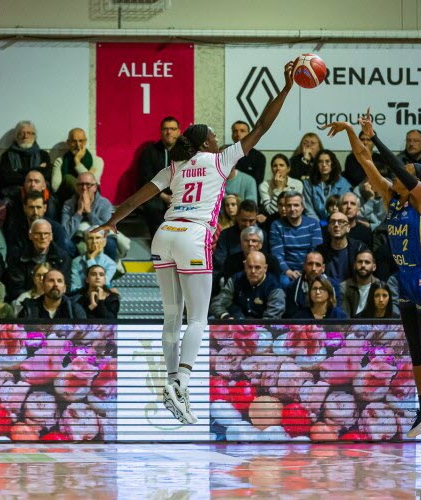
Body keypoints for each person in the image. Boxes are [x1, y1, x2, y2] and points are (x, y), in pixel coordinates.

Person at [94, 59, 296, 425]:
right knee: (198, 318)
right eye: (215, 136)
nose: (220, 139)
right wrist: (285, 88)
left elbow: (136, 199)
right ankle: (184, 381)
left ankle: (171, 384)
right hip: (193, 234)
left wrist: (110, 221)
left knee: (172, 315)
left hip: (164, 235)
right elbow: (263, 124)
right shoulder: (220, 160)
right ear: (207, 141)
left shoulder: (174, 167)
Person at [323, 111, 421, 444]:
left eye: (404, 173)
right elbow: (365, 160)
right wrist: (352, 133)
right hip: (405, 279)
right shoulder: (392, 199)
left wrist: (377, 136)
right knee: (415, 349)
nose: (395, 175)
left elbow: (394, 166)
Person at [4, 219, 72, 301]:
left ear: (51, 237)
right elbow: (16, 288)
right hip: (28, 300)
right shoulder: (18, 258)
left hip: (54, 300)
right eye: (38, 233)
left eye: (46, 234)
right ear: (30, 236)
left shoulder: (62, 258)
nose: (43, 237)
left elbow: (65, 287)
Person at [138, 116, 181, 238]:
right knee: (152, 206)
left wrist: (176, 197)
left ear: (179, 131)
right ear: (161, 131)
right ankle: (159, 242)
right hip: (157, 196)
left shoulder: (187, 153)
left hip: (180, 195)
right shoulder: (149, 152)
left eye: (173, 129)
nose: (169, 132)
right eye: (165, 129)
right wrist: (164, 197)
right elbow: (145, 179)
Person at [212, 251, 285, 320]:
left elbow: (271, 318)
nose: (253, 271)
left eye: (257, 267)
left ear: (265, 268)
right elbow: (217, 303)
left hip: (262, 328)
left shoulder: (274, 287)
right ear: (245, 266)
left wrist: (254, 330)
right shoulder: (236, 279)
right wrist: (225, 317)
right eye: (250, 267)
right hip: (236, 323)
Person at [270, 192, 323, 283]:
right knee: (284, 282)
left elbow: (315, 251)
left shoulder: (313, 224)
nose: (292, 209)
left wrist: (307, 271)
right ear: (285, 208)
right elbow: (277, 254)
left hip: (310, 269)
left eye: (296, 205)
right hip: (287, 271)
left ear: (302, 207)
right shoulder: (276, 225)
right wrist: (288, 271)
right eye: (289, 205)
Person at [0, 120, 52, 200]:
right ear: (16, 136)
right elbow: (7, 178)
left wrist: (18, 171)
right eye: (22, 133)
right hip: (14, 193)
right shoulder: (7, 155)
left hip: (39, 193)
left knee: (51, 205)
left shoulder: (43, 154)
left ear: (34, 136)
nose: (25, 136)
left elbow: (47, 175)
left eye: (29, 133)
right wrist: (37, 170)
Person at [218, 226, 283, 292]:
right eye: (246, 240)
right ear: (241, 243)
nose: (250, 244)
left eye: (254, 241)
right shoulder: (231, 260)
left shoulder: (271, 261)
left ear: (261, 244)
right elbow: (229, 286)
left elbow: (274, 285)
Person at [52, 127, 103, 202]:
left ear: (85, 142)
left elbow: (91, 183)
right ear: (68, 143)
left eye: (81, 141)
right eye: (74, 141)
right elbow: (55, 187)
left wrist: (77, 162)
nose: (78, 145)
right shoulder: (60, 161)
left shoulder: (97, 161)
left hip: (92, 200)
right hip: (68, 199)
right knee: (68, 178)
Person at [60, 172, 114, 244]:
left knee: (111, 243)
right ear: (76, 187)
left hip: (97, 240)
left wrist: (89, 213)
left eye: (88, 184)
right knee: (64, 242)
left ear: (95, 187)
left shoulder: (104, 204)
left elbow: (106, 230)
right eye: (81, 184)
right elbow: (66, 233)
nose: (84, 188)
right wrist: (78, 212)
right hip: (77, 238)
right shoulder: (68, 204)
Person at [283, 251, 342, 316]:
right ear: (304, 266)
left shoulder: (334, 286)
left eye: (318, 265)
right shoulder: (292, 287)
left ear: (323, 268)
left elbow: (337, 312)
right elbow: (290, 317)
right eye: (310, 264)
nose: (314, 268)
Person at [340, 249, 395, 318]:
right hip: (352, 326)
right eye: (360, 262)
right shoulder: (344, 287)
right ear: (354, 265)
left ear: (374, 267)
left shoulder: (380, 286)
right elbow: (345, 317)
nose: (363, 265)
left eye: (367, 262)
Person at [315, 211, 366, 283]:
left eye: (341, 222)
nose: (336, 225)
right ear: (328, 228)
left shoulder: (359, 248)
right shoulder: (320, 250)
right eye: (332, 222)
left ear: (348, 228)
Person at [302, 150, 352, 220]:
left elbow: (345, 208)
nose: (324, 165)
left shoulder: (344, 183)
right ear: (316, 165)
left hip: (338, 221)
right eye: (320, 162)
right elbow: (309, 210)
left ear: (333, 164)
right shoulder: (308, 183)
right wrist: (318, 226)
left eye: (327, 161)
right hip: (316, 223)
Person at [18, 269, 87, 319]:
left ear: (65, 288)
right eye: (51, 280)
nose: (55, 284)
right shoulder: (29, 308)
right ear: (43, 286)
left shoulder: (74, 309)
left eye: (59, 281)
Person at [229, 120, 267, 186]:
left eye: (242, 131)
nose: (238, 134)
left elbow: (257, 182)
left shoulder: (259, 157)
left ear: (249, 134)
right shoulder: (226, 154)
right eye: (235, 131)